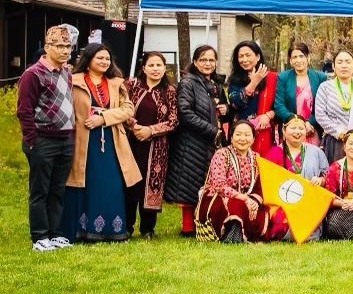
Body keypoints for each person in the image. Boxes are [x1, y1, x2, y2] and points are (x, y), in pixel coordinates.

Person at [62, 44, 140, 243]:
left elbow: (128, 109)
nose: (105, 62)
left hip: (112, 139)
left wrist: (104, 118)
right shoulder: (73, 80)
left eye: (107, 59)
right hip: (83, 139)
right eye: (100, 58)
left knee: (111, 182)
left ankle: (112, 230)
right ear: (88, 60)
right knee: (84, 181)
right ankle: (81, 230)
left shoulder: (116, 83)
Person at [17, 26, 77, 251]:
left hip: (65, 139)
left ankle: (54, 234)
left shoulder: (66, 72)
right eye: (59, 46)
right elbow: (24, 110)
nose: (65, 51)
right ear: (47, 47)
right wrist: (32, 140)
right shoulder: (33, 74)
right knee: (40, 191)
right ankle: (39, 237)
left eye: (68, 46)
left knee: (57, 190)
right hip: (42, 139)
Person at [164, 45, 229, 237]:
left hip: (211, 141)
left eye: (211, 60)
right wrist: (212, 131)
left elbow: (224, 111)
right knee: (189, 183)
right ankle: (187, 228)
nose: (208, 64)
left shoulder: (216, 84)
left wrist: (225, 109)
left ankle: (205, 222)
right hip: (191, 140)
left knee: (207, 182)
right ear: (195, 62)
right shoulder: (188, 83)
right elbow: (184, 113)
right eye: (203, 60)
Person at [123, 51, 178, 240]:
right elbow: (121, 108)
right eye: (151, 65)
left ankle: (147, 229)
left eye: (159, 65)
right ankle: (126, 227)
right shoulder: (131, 85)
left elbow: (174, 121)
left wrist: (150, 130)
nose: (155, 69)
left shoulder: (169, 91)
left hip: (157, 148)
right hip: (130, 143)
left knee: (152, 185)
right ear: (144, 68)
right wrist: (133, 126)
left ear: (164, 68)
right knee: (130, 184)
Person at [198, 121, 280, 243]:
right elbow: (219, 185)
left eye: (247, 135)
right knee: (237, 205)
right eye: (238, 134)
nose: (242, 138)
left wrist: (253, 202)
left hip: (248, 198)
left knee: (261, 211)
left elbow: (259, 187)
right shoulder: (222, 154)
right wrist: (244, 199)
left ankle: (247, 235)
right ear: (231, 137)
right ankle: (232, 236)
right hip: (218, 197)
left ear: (253, 139)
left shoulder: (256, 158)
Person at [265, 114, 330, 241]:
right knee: (282, 223)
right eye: (293, 128)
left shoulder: (316, 152)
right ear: (284, 130)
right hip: (283, 202)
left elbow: (327, 176)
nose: (297, 132)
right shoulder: (274, 153)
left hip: (309, 202)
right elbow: (268, 182)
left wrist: (321, 180)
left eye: (301, 128)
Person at [315, 51, 353, 163]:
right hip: (335, 141)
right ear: (334, 66)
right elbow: (320, 115)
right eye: (340, 62)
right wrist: (339, 132)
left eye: (348, 62)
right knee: (335, 171)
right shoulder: (325, 87)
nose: (344, 65)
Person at [227, 41, 278, 156]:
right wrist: (254, 82)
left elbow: (279, 104)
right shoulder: (234, 80)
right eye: (241, 56)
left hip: (264, 131)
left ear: (258, 56)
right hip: (241, 134)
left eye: (248, 55)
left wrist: (268, 115)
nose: (244, 60)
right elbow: (235, 103)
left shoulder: (272, 78)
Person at [273, 42, 327, 147]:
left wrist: (309, 123)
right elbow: (279, 106)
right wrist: (297, 122)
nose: (298, 60)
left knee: (311, 156)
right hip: (290, 129)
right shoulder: (283, 78)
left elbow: (322, 106)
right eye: (294, 57)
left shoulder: (320, 78)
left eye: (301, 56)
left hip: (312, 129)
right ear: (290, 60)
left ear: (308, 57)